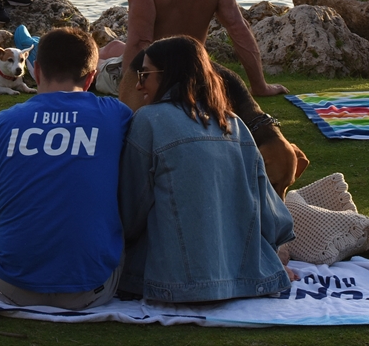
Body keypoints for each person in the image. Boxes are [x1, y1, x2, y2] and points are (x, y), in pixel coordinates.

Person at [101, 0, 308, 197]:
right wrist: (260, 85)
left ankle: (65, 65)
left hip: (153, 69)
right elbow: (238, 29)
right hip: (199, 69)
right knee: (113, 47)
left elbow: (139, 43)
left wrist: (129, 99)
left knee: (109, 55)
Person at [0, 28, 131, 310]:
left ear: (36, 70)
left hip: (9, 288)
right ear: (92, 77)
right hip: (94, 290)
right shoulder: (116, 114)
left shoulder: (1, 123)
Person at [118, 36, 295, 303]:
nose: (139, 84)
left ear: (169, 76)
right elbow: (273, 218)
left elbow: (129, 213)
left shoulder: (147, 120)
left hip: (174, 283)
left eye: (145, 74)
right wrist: (270, 257)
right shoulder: (235, 123)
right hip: (250, 280)